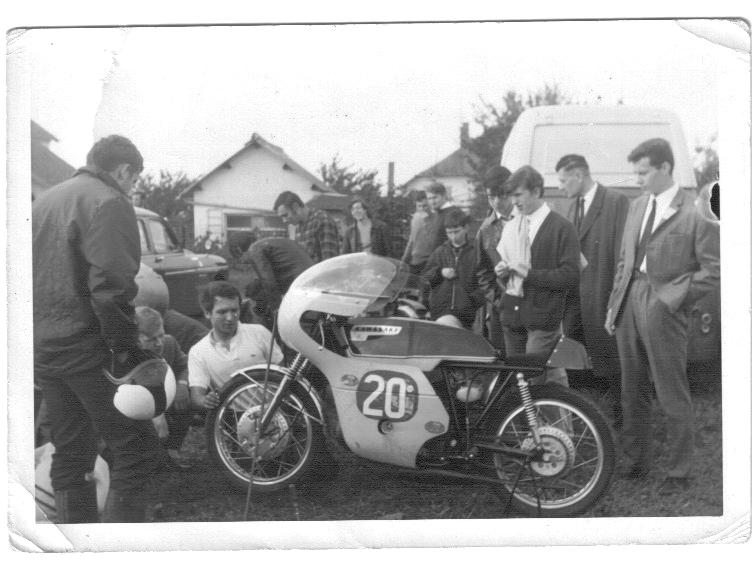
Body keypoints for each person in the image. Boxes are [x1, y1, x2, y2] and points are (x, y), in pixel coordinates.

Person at [33, 135, 162, 523]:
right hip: (87, 347)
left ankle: (79, 551)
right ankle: (115, 555)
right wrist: (127, 350)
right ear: (123, 170)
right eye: (134, 179)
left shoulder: (44, 201)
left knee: (70, 453)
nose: (133, 187)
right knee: (136, 450)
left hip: (45, 347)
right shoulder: (110, 201)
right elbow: (110, 288)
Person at [605, 138, 720, 493]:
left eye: (643, 172)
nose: (637, 179)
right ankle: (638, 461)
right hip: (629, 303)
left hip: (664, 306)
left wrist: (671, 297)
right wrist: (614, 306)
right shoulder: (637, 206)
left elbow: (714, 269)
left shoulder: (695, 211)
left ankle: (678, 471)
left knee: (671, 391)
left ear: (665, 168)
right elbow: (624, 262)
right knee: (632, 388)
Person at [556, 154, 630, 427]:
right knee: (571, 350)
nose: (562, 187)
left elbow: (625, 253)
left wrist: (616, 297)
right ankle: (577, 409)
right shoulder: (572, 207)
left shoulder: (615, 202)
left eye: (564, 180)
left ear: (578, 175)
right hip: (577, 296)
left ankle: (624, 413)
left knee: (614, 357)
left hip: (603, 293)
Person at [495, 165, 579, 387]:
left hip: (543, 317)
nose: (514, 202)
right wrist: (503, 273)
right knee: (519, 382)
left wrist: (529, 274)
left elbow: (570, 276)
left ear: (536, 191)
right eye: (512, 196)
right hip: (513, 315)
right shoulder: (512, 226)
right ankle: (529, 422)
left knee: (535, 381)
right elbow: (509, 274)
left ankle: (555, 420)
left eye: (519, 195)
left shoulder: (562, 227)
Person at [188, 281, 283, 412]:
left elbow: (283, 373)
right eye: (222, 312)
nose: (230, 317)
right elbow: (197, 396)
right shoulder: (198, 352)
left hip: (273, 412)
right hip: (233, 420)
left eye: (234, 310)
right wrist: (206, 401)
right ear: (207, 313)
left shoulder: (259, 333)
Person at [134, 306, 193, 465]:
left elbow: (185, 365)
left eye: (160, 335)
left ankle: (172, 450)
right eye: (151, 339)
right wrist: (155, 414)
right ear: (136, 338)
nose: (159, 343)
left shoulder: (169, 343)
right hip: (137, 406)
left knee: (189, 399)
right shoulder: (128, 355)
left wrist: (182, 385)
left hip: (165, 397)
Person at [423, 207, 492, 330]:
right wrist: (440, 272)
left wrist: (472, 300)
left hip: (467, 312)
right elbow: (425, 278)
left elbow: (487, 280)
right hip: (441, 310)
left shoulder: (477, 251)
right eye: (449, 233)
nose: (453, 237)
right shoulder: (440, 252)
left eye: (456, 231)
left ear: (466, 228)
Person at [475, 165, 514, 350]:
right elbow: (482, 272)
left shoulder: (528, 219)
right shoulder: (485, 229)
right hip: (502, 308)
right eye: (491, 197)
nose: (497, 202)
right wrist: (498, 301)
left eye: (502, 195)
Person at [239, 235, 313, 329]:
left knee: (255, 293)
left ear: (239, 250)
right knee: (257, 287)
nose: (244, 264)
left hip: (299, 284)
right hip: (310, 277)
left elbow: (268, 281)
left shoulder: (254, 249)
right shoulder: (274, 241)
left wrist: (277, 308)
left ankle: (261, 330)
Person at [273, 190, 339, 263]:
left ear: (296, 207)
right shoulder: (296, 227)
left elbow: (329, 261)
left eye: (285, 215)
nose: (284, 221)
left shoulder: (322, 220)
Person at [400, 190, 434, 276]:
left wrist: (426, 222)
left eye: (425, 206)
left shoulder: (435, 218)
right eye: (419, 206)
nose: (422, 209)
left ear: (429, 205)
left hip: (429, 260)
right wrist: (404, 260)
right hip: (415, 260)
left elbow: (432, 241)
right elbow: (411, 240)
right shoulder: (415, 218)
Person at [424, 181, 454, 253]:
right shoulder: (437, 213)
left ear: (444, 196)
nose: (432, 202)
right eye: (429, 198)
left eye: (435, 197)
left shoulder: (452, 213)